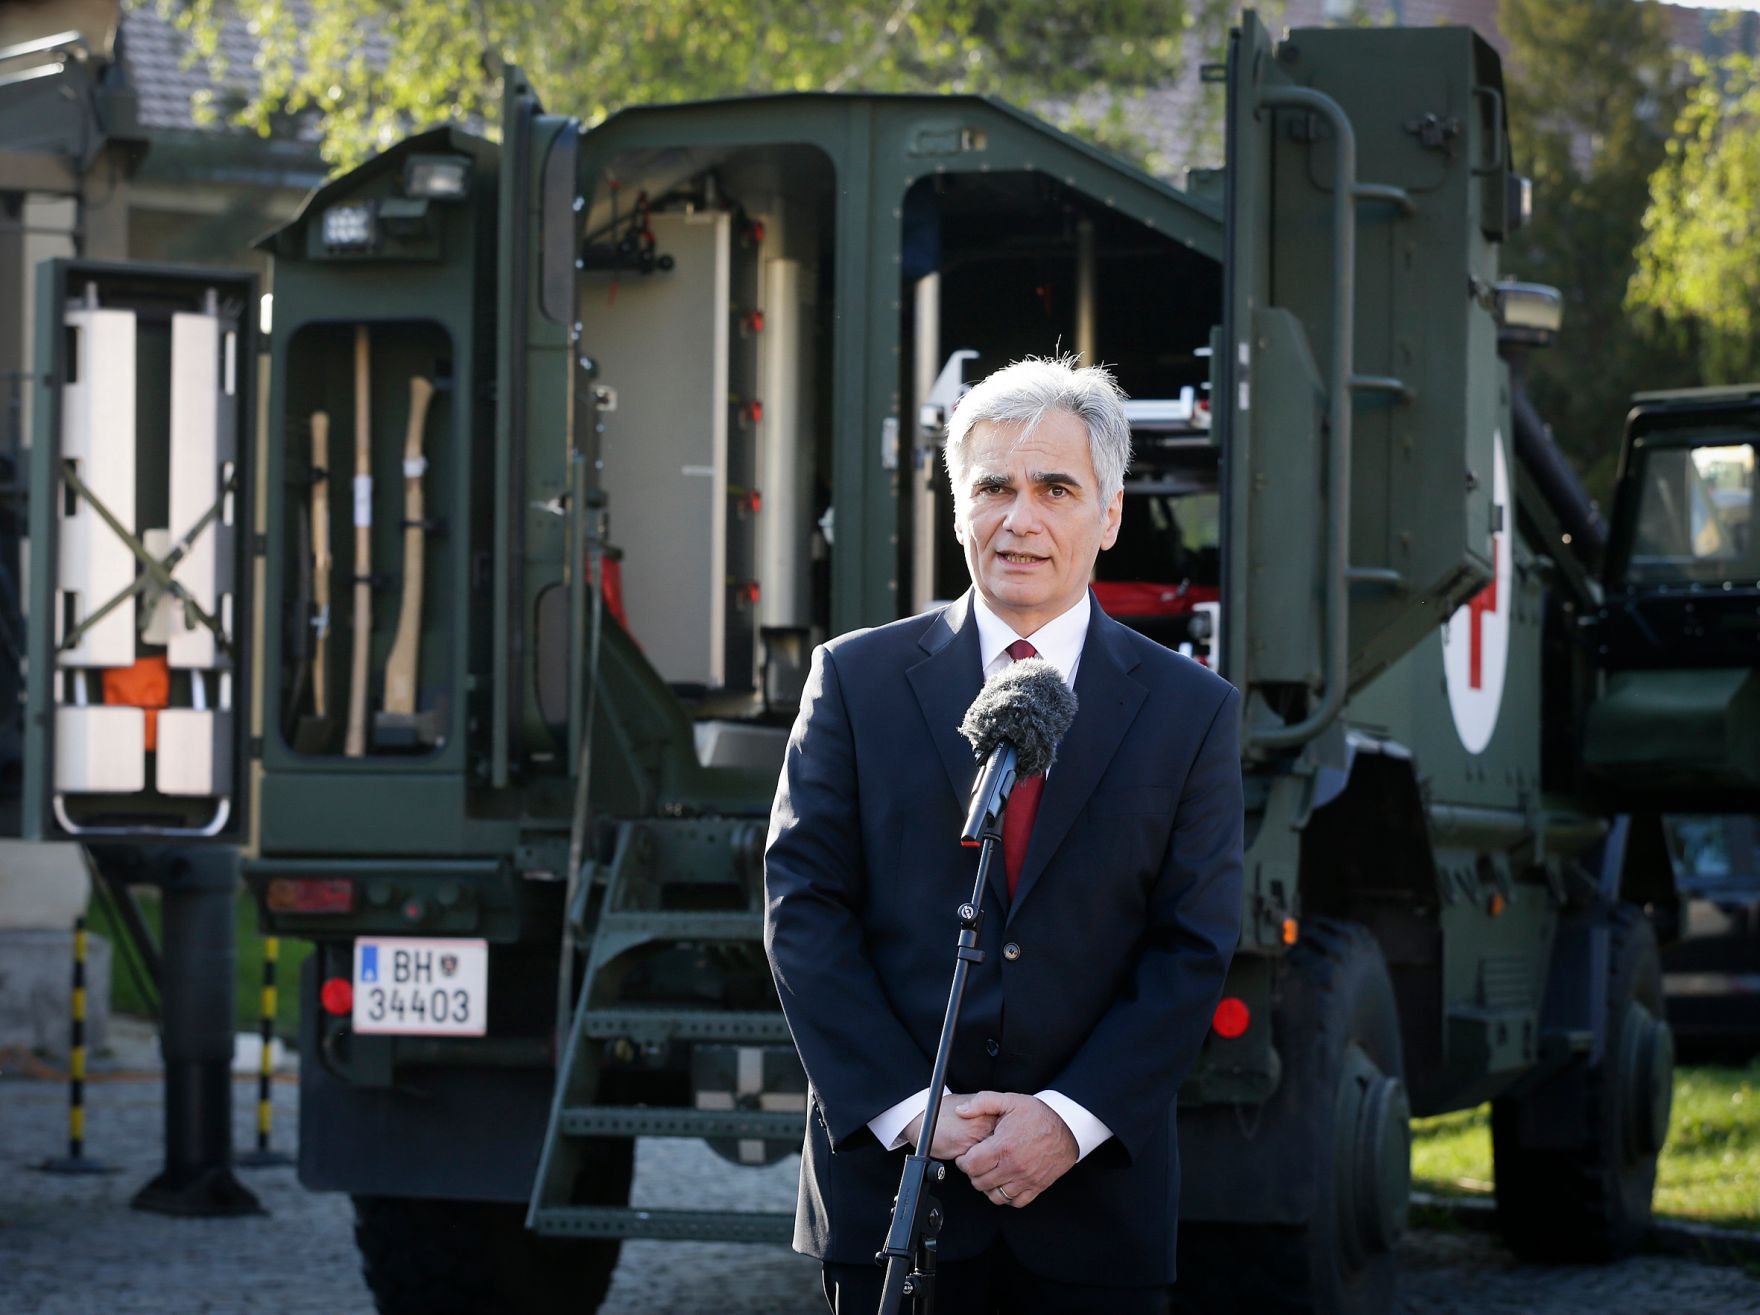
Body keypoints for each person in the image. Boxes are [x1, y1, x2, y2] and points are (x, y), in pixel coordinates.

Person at [764, 356, 1243, 1314]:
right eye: (994, 487)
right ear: (958, 509)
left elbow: (1191, 944)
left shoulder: (1190, 711)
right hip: (891, 1206)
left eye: (1055, 488)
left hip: (1093, 1213)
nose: (1019, 518)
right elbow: (803, 909)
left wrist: (1068, 1121)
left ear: (1108, 515)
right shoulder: (855, 681)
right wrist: (913, 1111)